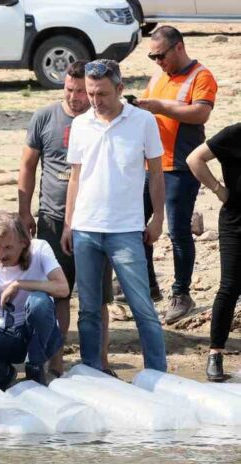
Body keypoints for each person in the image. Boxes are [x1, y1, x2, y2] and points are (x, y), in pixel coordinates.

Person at [62, 59, 167, 373]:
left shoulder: (144, 121)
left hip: (126, 229)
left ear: (120, 89)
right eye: (91, 93)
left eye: (103, 94)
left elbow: (157, 174)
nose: (95, 101)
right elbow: (76, 176)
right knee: (89, 310)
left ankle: (157, 373)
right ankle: (93, 370)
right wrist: (69, 223)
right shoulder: (81, 123)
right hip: (85, 228)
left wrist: (158, 217)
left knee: (142, 307)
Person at [18, 61, 114, 375]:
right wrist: (24, 211)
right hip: (51, 220)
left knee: (97, 298)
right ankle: (56, 364)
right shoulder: (45, 117)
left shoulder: (102, 120)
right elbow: (28, 166)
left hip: (94, 221)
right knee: (57, 292)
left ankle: (101, 361)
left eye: (80, 92)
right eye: (69, 90)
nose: (75, 98)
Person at [134, 26, 217, 324]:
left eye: (161, 55)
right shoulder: (158, 75)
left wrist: (160, 107)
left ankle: (181, 293)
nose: (157, 62)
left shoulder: (201, 76)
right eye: (152, 56)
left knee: (178, 230)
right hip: (150, 164)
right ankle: (148, 286)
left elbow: (200, 113)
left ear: (178, 48)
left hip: (181, 165)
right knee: (135, 225)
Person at [0, 216, 68, 389]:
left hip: (39, 334)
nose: (1, 254)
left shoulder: (40, 249)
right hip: (3, 332)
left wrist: (20, 285)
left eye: (8, 247)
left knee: (38, 302)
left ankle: (35, 366)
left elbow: (63, 288)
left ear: (24, 243)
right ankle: (4, 376)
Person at [186, 124, 239, 381]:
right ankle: (215, 354)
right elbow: (194, 158)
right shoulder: (234, 134)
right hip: (235, 222)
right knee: (229, 287)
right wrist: (219, 190)